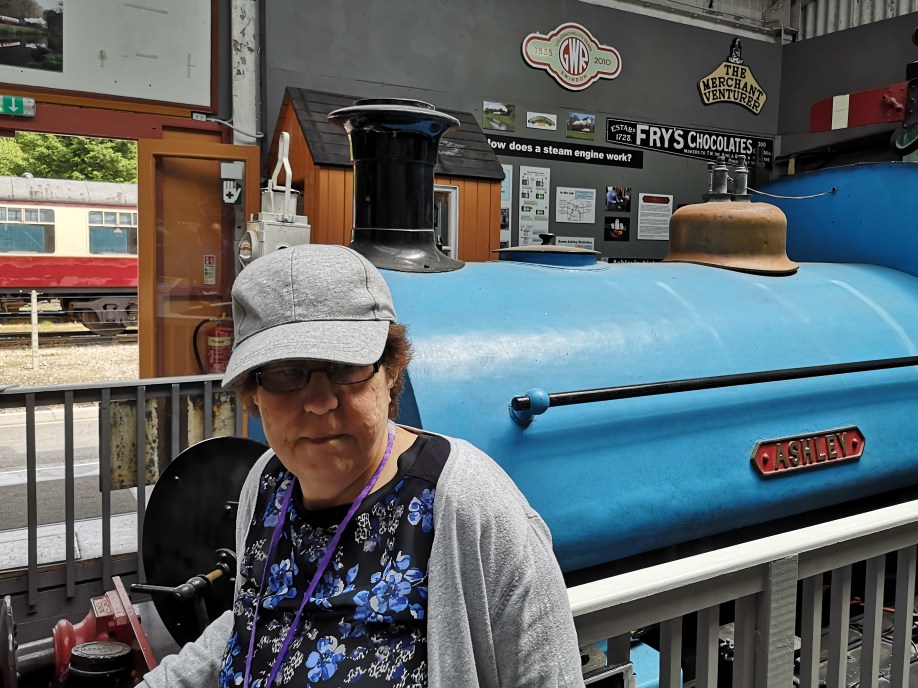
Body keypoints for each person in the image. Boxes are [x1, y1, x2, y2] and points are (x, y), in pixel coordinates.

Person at [138, 244, 584, 688]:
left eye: (343, 366)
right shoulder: (268, 481)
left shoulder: (471, 505)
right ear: (254, 391)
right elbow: (251, 621)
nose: (318, 401)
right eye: (285, 372)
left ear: (391, 370)